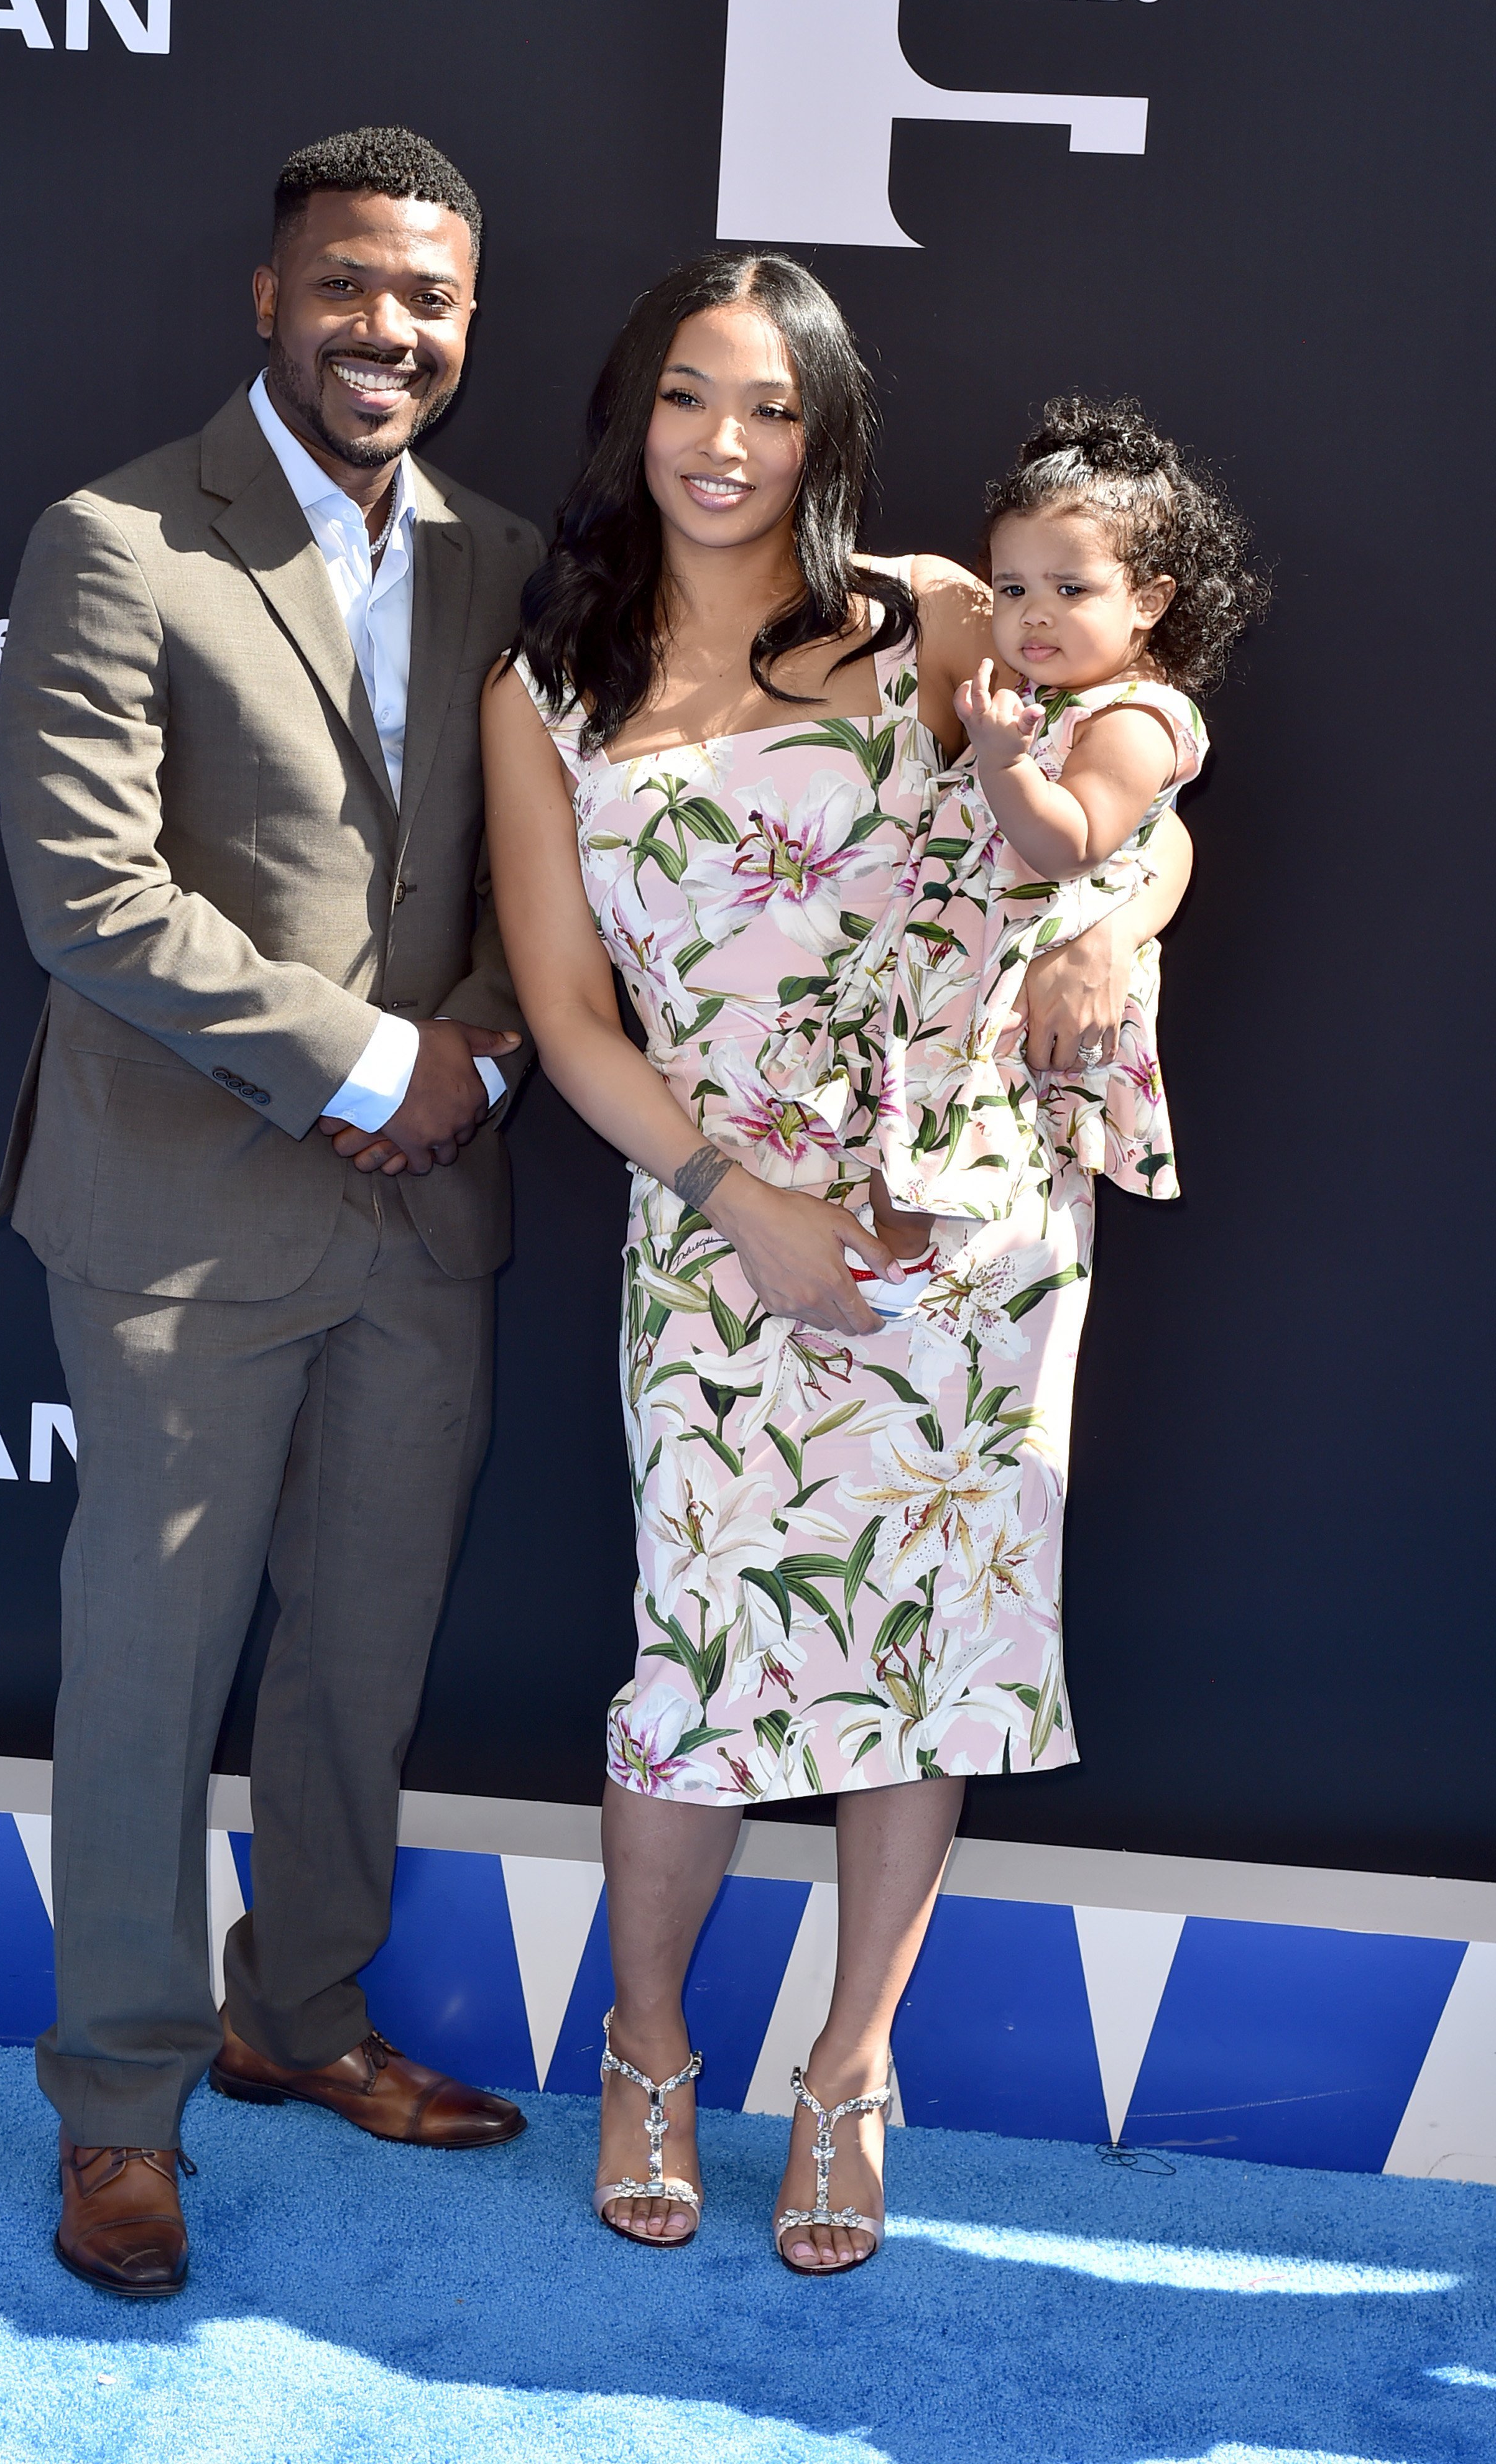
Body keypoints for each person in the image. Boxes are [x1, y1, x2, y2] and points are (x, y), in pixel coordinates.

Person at [480, 253, 1199, 2276]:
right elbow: (564, 1017)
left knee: (921, 1667)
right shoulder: (542, 689)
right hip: (723, 1223)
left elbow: (1133, 759)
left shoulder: (935, 619)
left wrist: (1105, 932)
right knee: (701, 1675)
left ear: (824, 434)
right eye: (690, 397)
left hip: (966, 1212)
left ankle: (848, 2072)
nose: (726, 444)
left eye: (772, 408)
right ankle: (643, 2051)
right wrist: (741, 1207)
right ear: (635, 414)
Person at [0, 126, 542, 2301]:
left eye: (421, 297)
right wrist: (359, 1060)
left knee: (361, 1662)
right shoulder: (116, 537)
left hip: (426, 1213)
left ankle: (294, 2019)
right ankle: (117, 2112)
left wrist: (473, 1059)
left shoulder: (505, 557)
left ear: (463, 322)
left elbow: (562, 881)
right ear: (267, 296)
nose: (379, 330)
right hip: (178, 1220)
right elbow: (86, 896)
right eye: (342, 286)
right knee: (148, 1676)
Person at [873, 392, 1263, 1234]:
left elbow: (1070, 844)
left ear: (1150, 600)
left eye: (1070, 587)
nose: (1034, 611)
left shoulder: (1134, 719)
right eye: (1012, 587)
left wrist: (1004, 758)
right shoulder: (1043, 700)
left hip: (1022, 1003)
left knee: (966, 1185)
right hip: (957, 979)